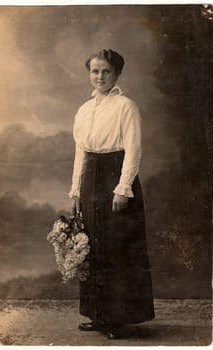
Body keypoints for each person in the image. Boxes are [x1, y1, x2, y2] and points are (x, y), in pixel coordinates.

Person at [69, 49, 155, 339]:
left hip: (115, 177)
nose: (100, 77)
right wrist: (75, 188)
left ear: (117, 74)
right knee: (92, 248)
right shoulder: (83, 109)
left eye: (106, 71)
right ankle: (97, 315)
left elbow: (133, 149)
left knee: (117, 250)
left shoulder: (125, 106)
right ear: (89, 73)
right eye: (94, 71)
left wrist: (123, 187)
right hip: (90, 178)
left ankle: (118, 319)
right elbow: (81, 151)